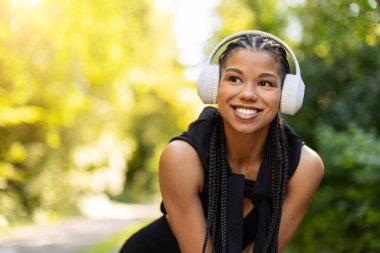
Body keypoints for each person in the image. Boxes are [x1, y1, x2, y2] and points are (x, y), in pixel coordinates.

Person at [119, 30, 324, 253]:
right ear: (214, 87)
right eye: (234, 79)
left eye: (265, 83)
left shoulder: (305, 167)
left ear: (286, 96)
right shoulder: (181, 157)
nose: (248, 94)